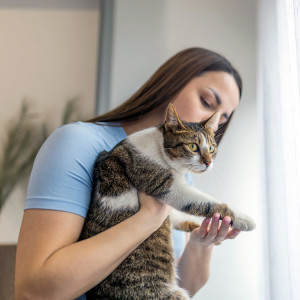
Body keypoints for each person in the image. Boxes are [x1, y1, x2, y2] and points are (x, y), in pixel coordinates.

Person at [15, 47, 242, 300]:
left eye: (221, 121)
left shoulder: (180, 175)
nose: (210, 122)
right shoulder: (77, 143)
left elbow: (168, 285)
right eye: (207, 103)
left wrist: (201, 244)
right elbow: (33, 291)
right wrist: (148, 218)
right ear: (172, 81)